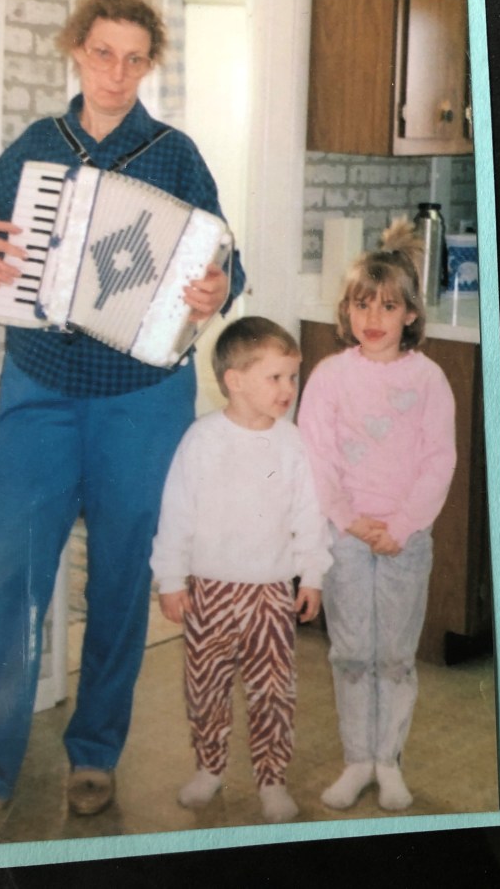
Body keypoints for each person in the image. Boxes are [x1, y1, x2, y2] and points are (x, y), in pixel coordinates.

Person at [0, 0, 245, 818]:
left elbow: (224, 259)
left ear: (148, 66)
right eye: (102, 53)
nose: (115, 72)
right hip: (37, 385)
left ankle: (95, 750)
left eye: (133, 60)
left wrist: (219, 287)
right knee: (11, 577)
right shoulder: (33, 147)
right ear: (77, 50)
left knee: (118, 580)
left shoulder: (173, 154)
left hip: (142, 398)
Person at [297, 220, 456, 812]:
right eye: (364, 303)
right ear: (347, 310)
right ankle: (357, 759)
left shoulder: (430, 380)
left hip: (405, 541)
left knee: (392, 655)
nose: (375, 317)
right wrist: (346, 518)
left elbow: (439, 461)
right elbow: (316, 456)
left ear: (410, 314)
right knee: (350, 652)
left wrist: (404, 524)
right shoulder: (330, 377)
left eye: (389, 306)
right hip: (345, 537)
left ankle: (388, 761)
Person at [150, 316, 331, 823]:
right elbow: (177, 512)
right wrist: (170, 578)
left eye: (292, 378)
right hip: (209, 589)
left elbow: (308, 514)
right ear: (235, 380)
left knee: (274, 690)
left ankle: (272, 779)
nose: (287, 389)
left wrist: (312, 573)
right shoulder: (203, 439)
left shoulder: (291, 443)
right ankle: (209, 768)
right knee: (205, 687)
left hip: (271, 592)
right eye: (275, 378)